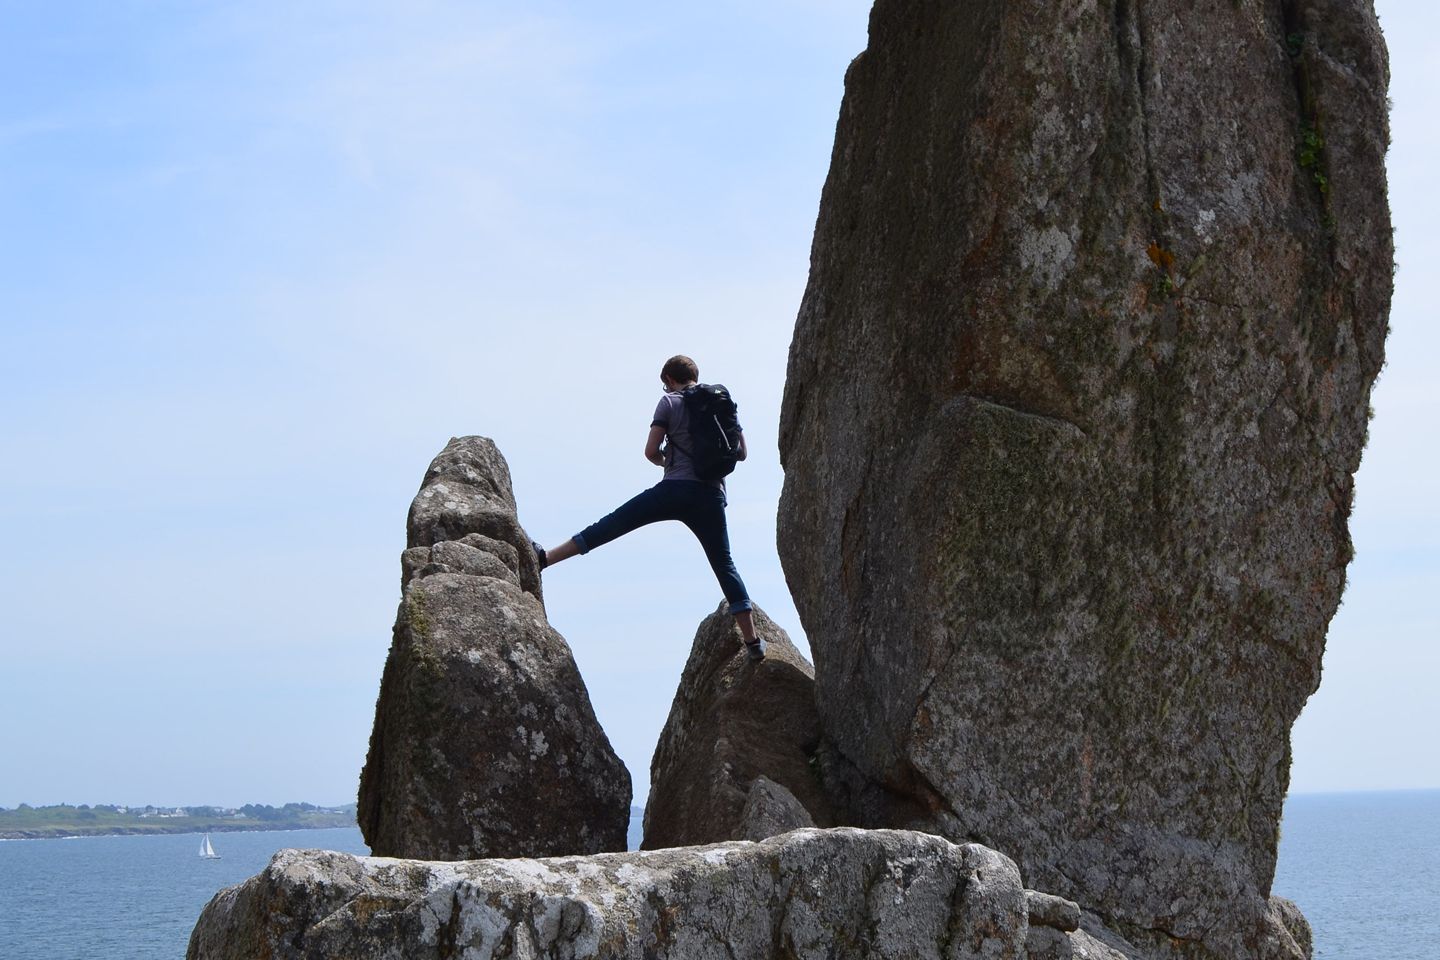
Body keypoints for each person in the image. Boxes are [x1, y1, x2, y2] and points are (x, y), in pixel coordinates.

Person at [533, 355, 764, 660]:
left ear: (669, 379)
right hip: (710, 495)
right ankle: (753, 642)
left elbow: (650, 451)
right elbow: (742, 453)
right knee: (724, 564)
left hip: (674, 489)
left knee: (615, 523)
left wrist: (667, 460)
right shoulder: (720, 404)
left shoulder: (668, 402)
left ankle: (546, 559)